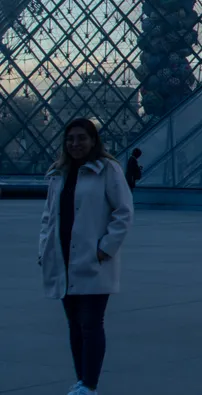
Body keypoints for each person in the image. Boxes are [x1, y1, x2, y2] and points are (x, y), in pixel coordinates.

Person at [39, 118, 134, 395]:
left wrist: (105, 248)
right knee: (75, 326)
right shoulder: (58, 173)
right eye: (70, 139)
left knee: (91, 324)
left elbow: (124, 212)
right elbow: (48, 217)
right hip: (63, 258)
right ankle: (82, 380)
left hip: (93, 259)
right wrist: (43, 248)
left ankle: (89, 385)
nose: (75, 144)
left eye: (82, 138)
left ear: (94, 141)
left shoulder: (108, 170)